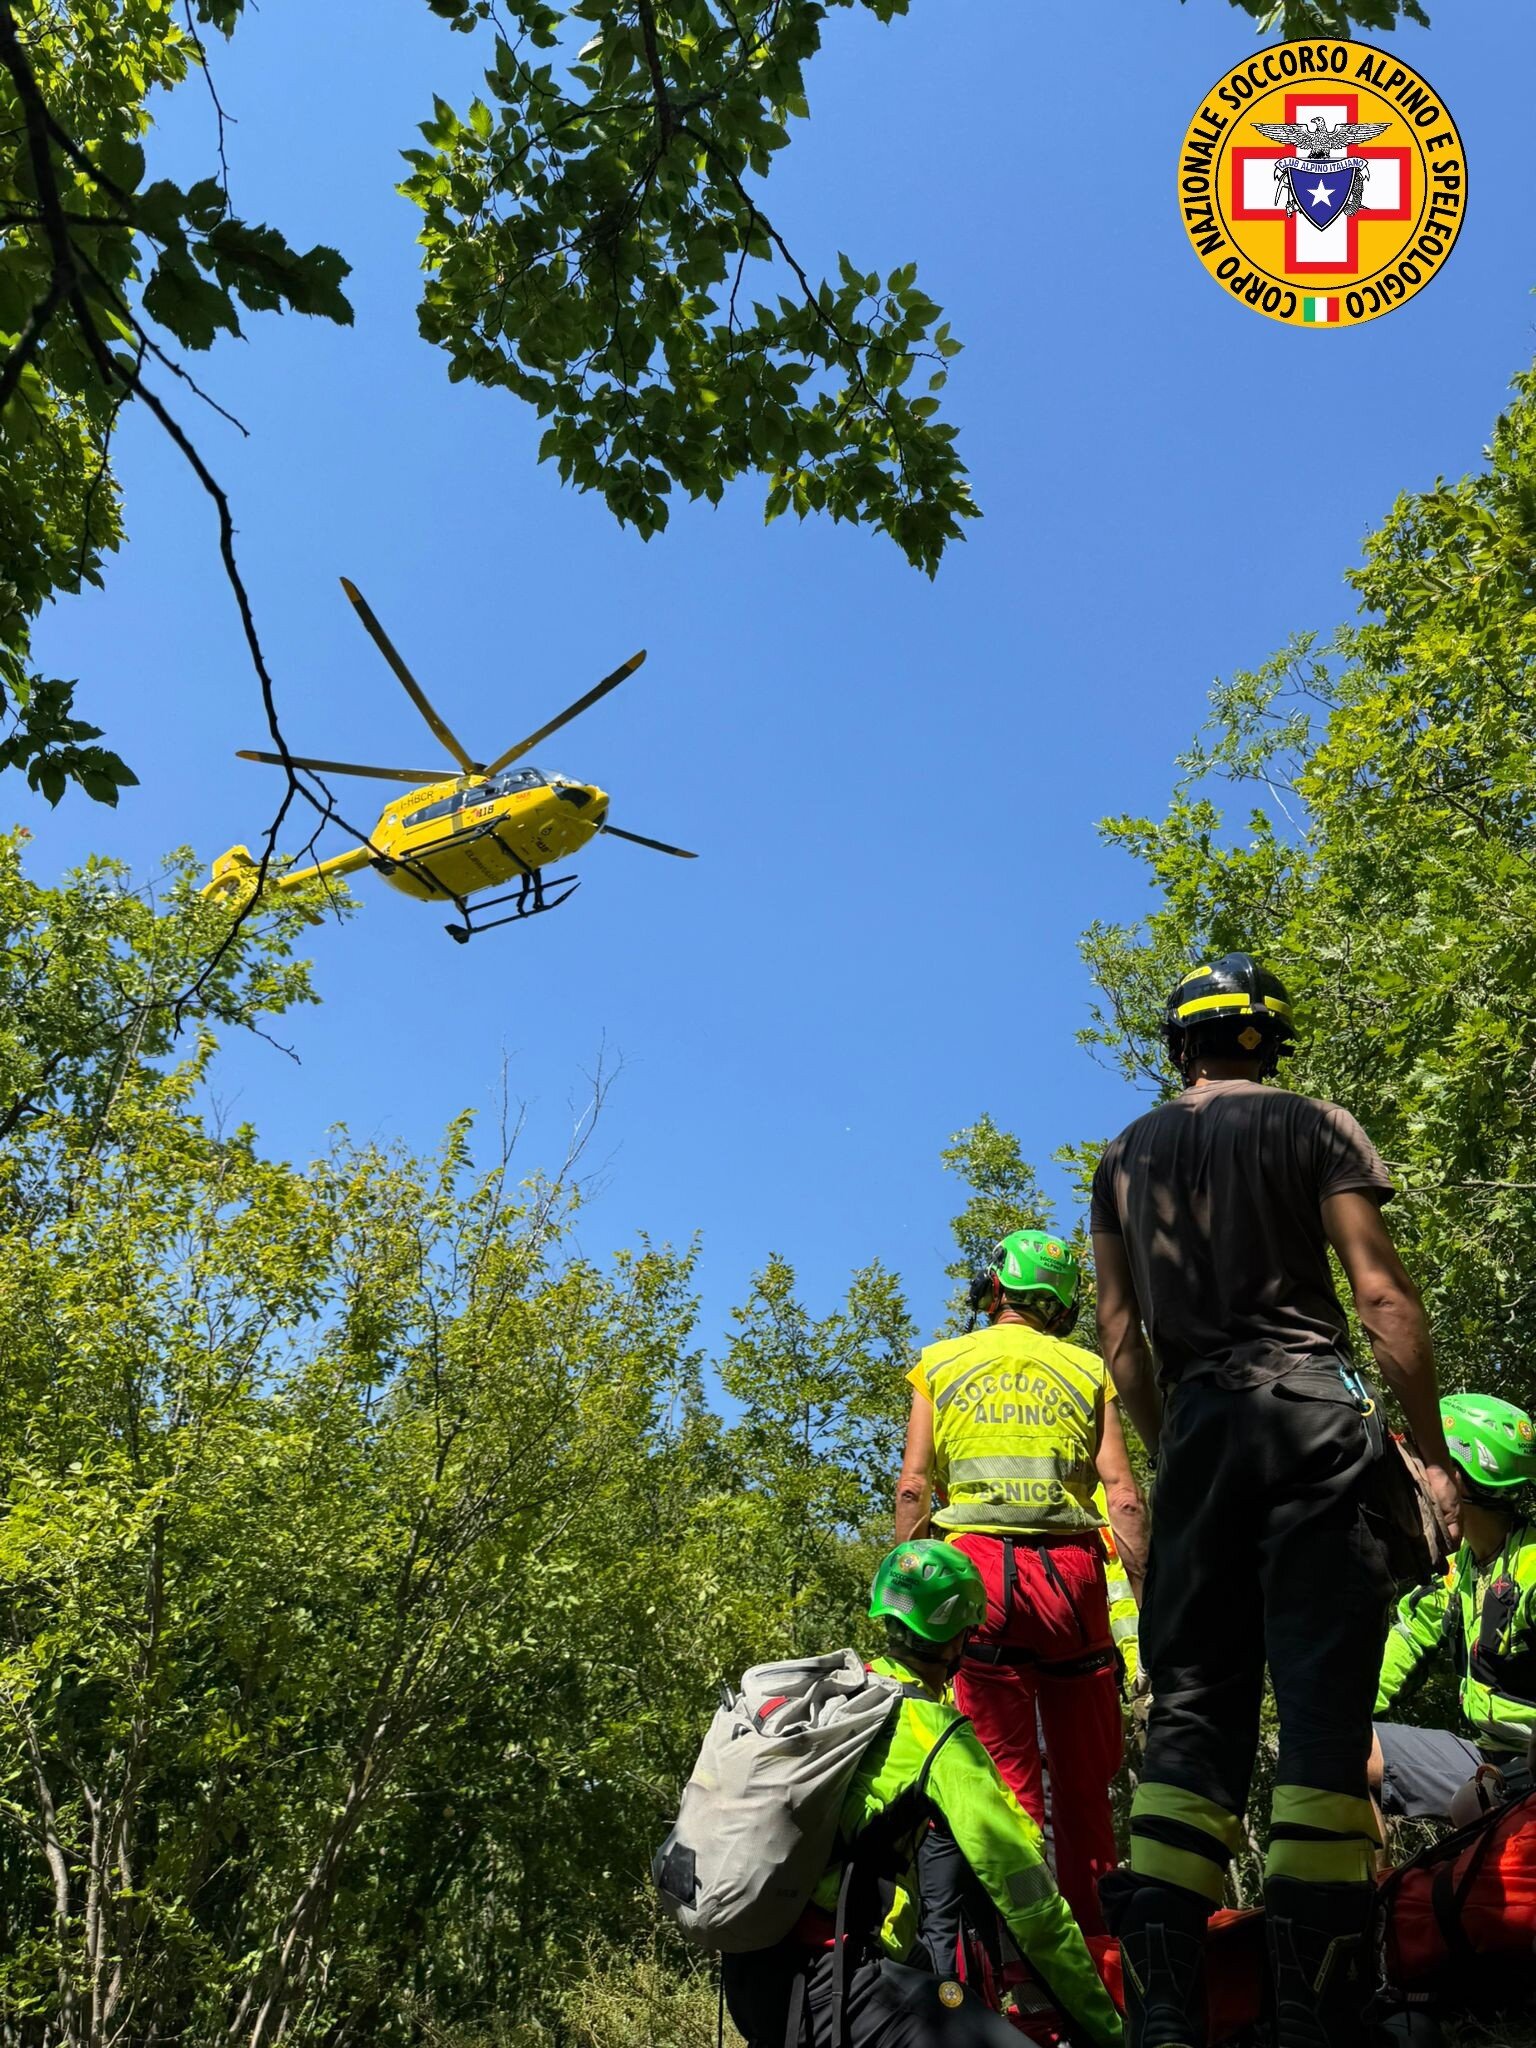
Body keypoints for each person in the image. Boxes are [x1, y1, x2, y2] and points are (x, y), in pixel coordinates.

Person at [1089, 953, 1460, 2048]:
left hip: (1204, 1430)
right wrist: (1430, 1454)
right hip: (1314, 1428)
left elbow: (1119, 1338)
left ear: (1179, 1043)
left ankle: (1164, 2001)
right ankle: (1316, 1997)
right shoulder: (1317, 1126)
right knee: (1322, 1712)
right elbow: (1380, 1292)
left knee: (1195, 1714)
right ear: (1271, 1039)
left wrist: (1184, 1453)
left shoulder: (1123, 1154)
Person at [721, 1540, 1124, 2048]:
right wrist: (1108, 2029)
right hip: (842, 1987)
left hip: (754, 1979)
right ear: (963, 1635)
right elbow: (1031, 1902)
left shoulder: (842, 1699)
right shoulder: (934, 1733)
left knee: (944, 1997)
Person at [894, 1229, 1147, 1935]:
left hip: (976, 1578)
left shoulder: (940, 1364)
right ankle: (1098, 1968)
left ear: (997, 1287)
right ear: (1060, 1305)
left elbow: (914, 1489)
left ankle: (1014, 1978)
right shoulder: (1085, 1369)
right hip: (1071, 1579)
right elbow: (1123, 1497)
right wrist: (1149, 1603)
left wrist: (904, 1600)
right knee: (1085, 1788)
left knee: (1006, 1789)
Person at [1372, 1391, 1536, 1827]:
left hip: (1523, 1769)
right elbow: (1408, 1638)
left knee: (1471, 1805)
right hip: (1490, 1759)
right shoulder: (1459, 1569)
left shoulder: (1533, 1569)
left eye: (1421, 1461)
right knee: (1334, 1744)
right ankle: (1371, 1895)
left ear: (1457, 1477)